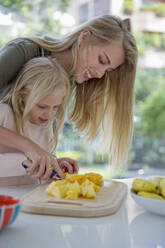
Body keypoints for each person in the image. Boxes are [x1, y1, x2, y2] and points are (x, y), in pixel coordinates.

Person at [0, 14, 138, 171]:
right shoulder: (22, 51)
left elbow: (33, 143)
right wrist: (29, 147)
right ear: (84, 37)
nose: (100, 74)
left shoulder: (68, 82)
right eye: (101, 60)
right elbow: (28, 146)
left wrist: (50, 161)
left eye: (108, 70)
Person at [0, 57, 78, 185]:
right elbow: (29, 162)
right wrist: (25, 161)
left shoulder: (46, 126)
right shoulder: (4, 114)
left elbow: (44, 165)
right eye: (42, 107)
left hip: (31, 199)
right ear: (22, 95)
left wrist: (56, 165)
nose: (49, 114)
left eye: (55, 107)